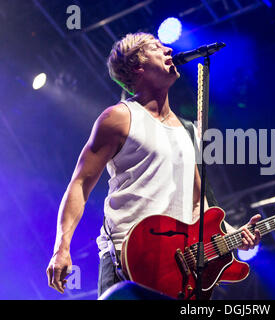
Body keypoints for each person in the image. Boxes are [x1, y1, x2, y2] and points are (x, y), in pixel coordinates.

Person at [46, 32, 261, 297]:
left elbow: (199, 202)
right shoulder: (119, 117)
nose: (169, 50)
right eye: (156, 48)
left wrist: (234, 233)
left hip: (181, 267)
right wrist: (61, 247)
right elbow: (80, 184)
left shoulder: (187, 130)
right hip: (130, 260)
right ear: (137, 66)